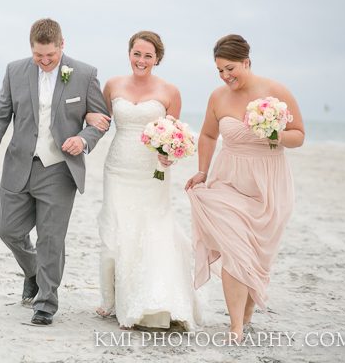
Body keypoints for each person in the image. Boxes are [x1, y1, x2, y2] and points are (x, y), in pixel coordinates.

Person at [0, 18, 109, 325]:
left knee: (51, 238)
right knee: (8, 229)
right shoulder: (14, 71)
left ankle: (46, 302)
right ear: (31, 48)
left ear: (62, 45)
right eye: (39, 56)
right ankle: (33, 271)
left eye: (51, 55)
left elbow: (100, 120)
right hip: (19, 164)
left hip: (60, 170)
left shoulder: (85, 75)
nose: (45, 61)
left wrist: (83, 140)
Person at [185, 34, 304, 342]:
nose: (226, 77)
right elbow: (208, 136)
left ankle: (247, 317)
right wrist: (202, 171)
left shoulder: (276, 92)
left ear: (246, 62)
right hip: (228, 180)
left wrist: (272, 134)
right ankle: (235, 327)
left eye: (230, 69)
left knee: (257, 258)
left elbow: (299, 136)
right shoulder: (218, 97)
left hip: (269, 186)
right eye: (220, 71)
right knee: (236, 251)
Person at [86, 31, 202, 330]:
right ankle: (110, 299)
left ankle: (150, 297)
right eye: (137, 54)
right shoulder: (113, 85)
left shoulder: (170, 92)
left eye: (148, 55)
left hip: (152, 172)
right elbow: (99, 119)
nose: (141, 60)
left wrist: (169, 156)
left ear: (157, 59)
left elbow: (175, 138)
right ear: (129, 54)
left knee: (151, 230)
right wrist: (88, 119)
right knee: (116, 231)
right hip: (118, 168)